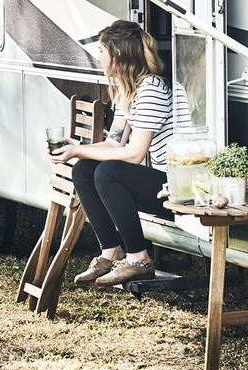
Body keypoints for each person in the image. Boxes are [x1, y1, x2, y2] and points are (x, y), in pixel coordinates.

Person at [51, 20, 177, 286]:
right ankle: (111, 252)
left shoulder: (150, 89)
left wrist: (79, 150)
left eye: (101, 50)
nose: (99, 56)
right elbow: (115, 144)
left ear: (117, 54)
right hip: (157, 184)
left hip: (175, 189)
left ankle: (139, 260)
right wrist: (76, 149)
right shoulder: (127, 90)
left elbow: (133, 154)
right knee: (83, 170)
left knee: (109, 172)